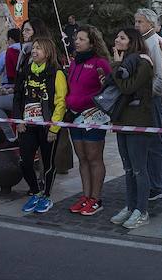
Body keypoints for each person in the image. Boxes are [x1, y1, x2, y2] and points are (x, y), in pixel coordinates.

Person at [108, 28, 156, 229]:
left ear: (132, 41)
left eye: (122, 37)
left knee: (138, 169)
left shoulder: (144, 62)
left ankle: (141, 210)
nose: (117, 40)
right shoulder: (126, 61)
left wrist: (117, 65)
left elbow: (128, 87)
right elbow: (117, 83)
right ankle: (130, 206)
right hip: (121, 119)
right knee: (128, 168)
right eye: (117, 36)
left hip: (138, 121)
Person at [14, 37, 67, 214]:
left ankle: (46, 195)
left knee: (48, 163)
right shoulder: (26, 70)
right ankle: (35, 192)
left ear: (48, 52)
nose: (34, 51)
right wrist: (18, 119)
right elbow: (18, 96)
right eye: (34, 48)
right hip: (27, 125)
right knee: (25, 161)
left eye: (39, 48)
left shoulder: (56, 72)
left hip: (47, 127)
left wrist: (54, 127)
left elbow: (61, 102)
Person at [66, 25, 112, 216]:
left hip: (93, 116)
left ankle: (96, 198)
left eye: (82, 39)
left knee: (94, 157)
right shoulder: (75, 62)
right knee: (82, 158)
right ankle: (85, 196)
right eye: (76, 39)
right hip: (74, 116)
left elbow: (109, 88)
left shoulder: (100, 63)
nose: (77, 41)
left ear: (92, 42)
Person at [134, 8, 162, 202]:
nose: (136, 25)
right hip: (144, 99)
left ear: (151, 24)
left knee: (154, 143)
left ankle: (156, 185)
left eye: (140, 22)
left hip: (151, 100)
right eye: (135, 21)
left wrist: (151, 95)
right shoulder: (143, 41)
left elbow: (159, 75)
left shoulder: (154, 42)